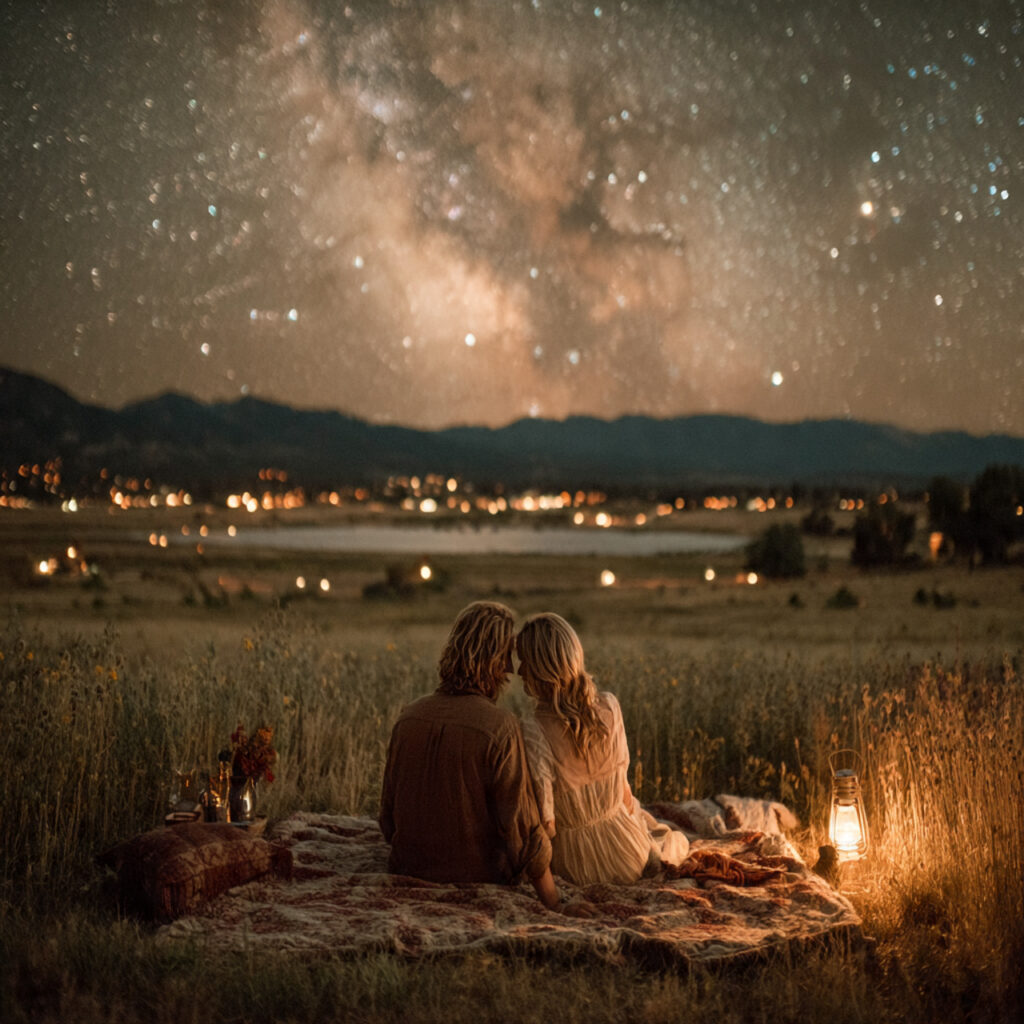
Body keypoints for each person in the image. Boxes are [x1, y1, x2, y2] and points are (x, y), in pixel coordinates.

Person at [379, 601, 560, 910]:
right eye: (506, 656)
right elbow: (523, 832)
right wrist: (556, 904)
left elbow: (387, 821)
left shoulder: (408, 718)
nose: (511, 669)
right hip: (480, 875)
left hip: (407, 868)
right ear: (494, 661)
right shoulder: (501, 727)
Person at [516, 612, 689, 886]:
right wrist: (637, 829)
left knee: (656, 829)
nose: (519, 671)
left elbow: (547, 825)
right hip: (628, 854)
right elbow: (624, 793)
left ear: (541, 669)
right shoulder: (610, 706)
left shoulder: (532, 730)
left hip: (574, 866)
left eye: (524, 662)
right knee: (667, 837)